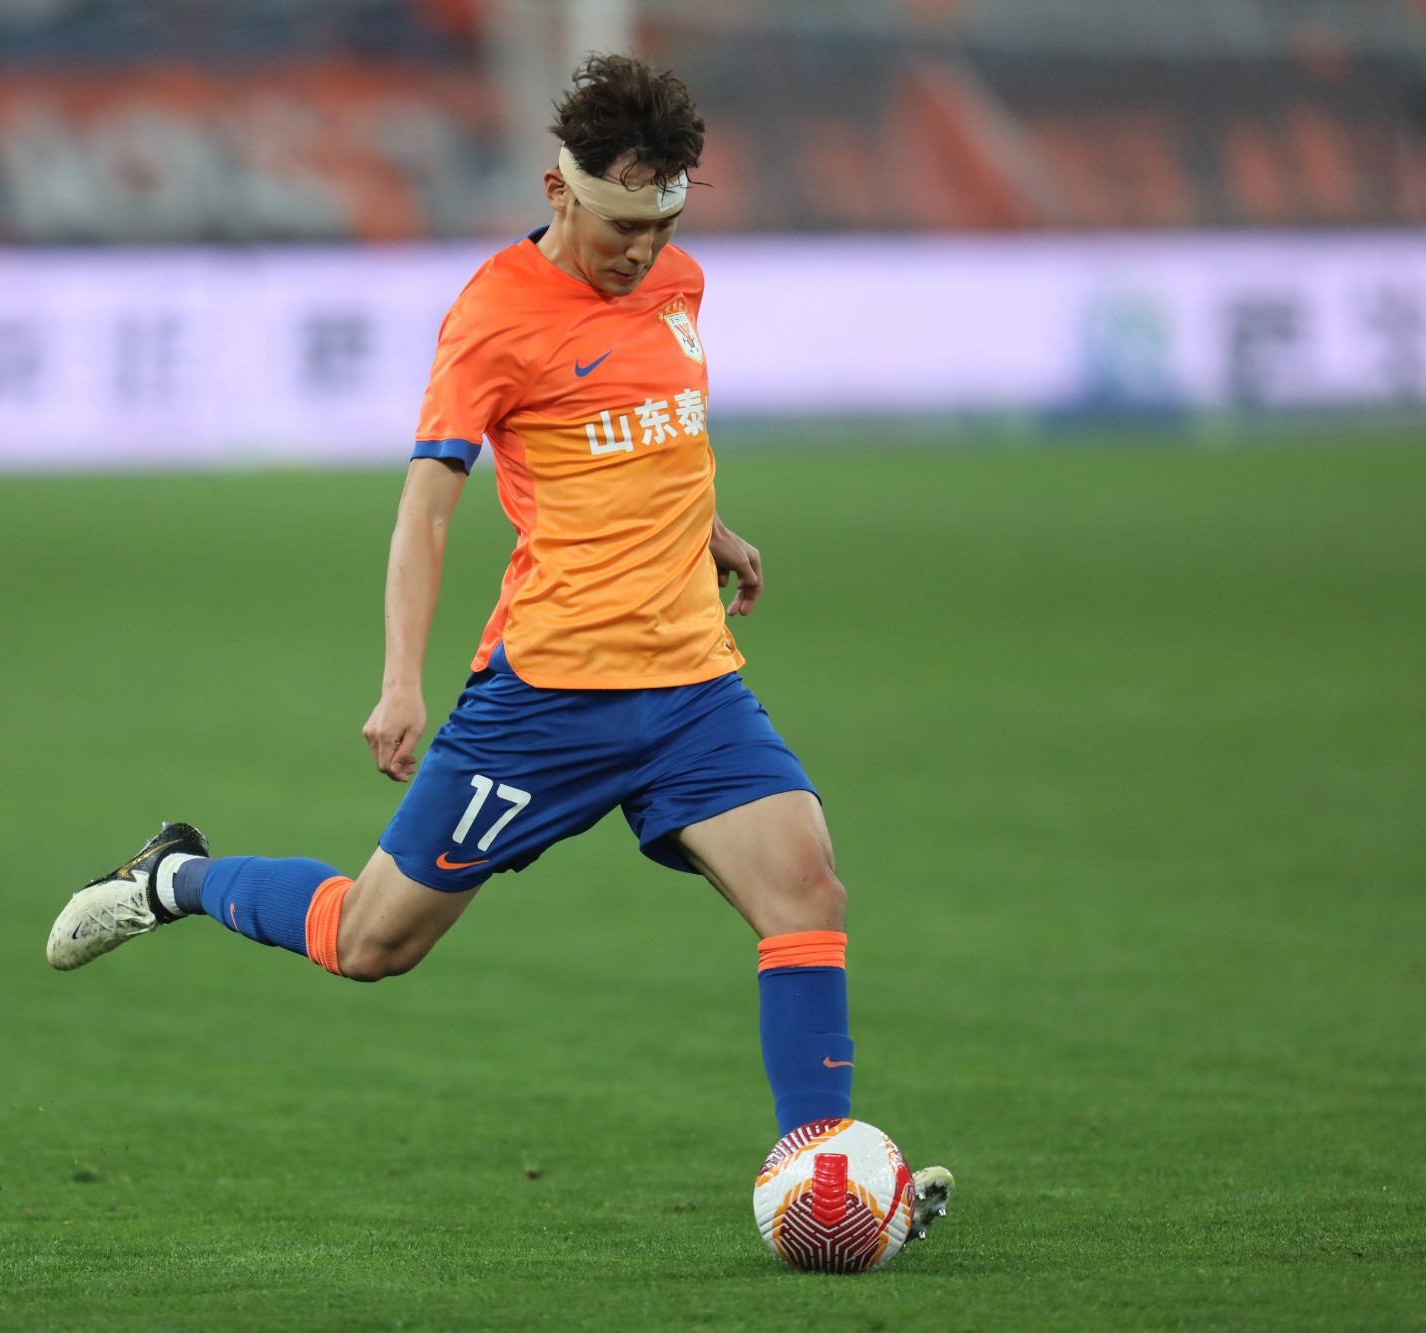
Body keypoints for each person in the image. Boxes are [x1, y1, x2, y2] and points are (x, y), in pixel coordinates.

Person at [46, 53, 951, 1242]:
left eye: (663, 224)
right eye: (622, 225)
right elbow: (426, 512)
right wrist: (399, 682)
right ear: (559, 189)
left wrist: (709, 527)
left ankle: (826, 1179)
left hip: (691, 685)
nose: (641, 250)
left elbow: (649, 435)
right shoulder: (494, 316)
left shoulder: (678, 283)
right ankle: (174, 878)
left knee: (806, 886)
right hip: (546, 702)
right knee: (370, 943)